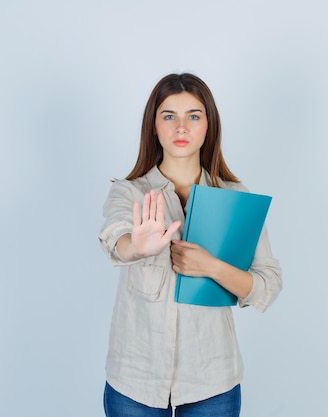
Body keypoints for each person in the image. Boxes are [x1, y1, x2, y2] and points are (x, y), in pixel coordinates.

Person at [98, 73, 282, 417]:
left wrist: (211, 267)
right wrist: (137, 247)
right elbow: (116, 240)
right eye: (169, 116)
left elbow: (267, 285)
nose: (181, 127)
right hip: (134, 381)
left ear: (208, 125)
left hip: (212, 382)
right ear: (153, 125)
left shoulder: (235, 198)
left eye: (193, 116)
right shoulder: (129, 192)